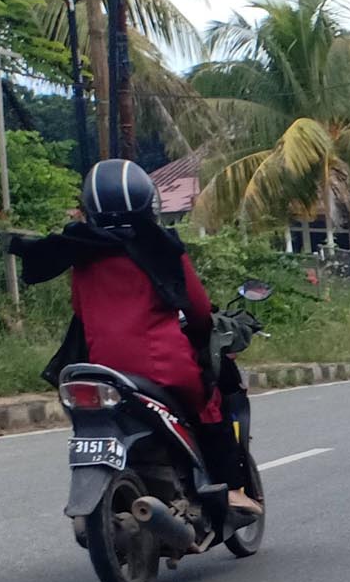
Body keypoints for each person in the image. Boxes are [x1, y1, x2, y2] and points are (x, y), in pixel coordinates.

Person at [14, 158, 256, 516]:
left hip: (97, 369)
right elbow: (199, 311)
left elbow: (80, 310)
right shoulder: (162, 248)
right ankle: (231, 489)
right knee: (210, 404)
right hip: (162, 367)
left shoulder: (81, 253)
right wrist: (204, 333)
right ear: (148, 202)